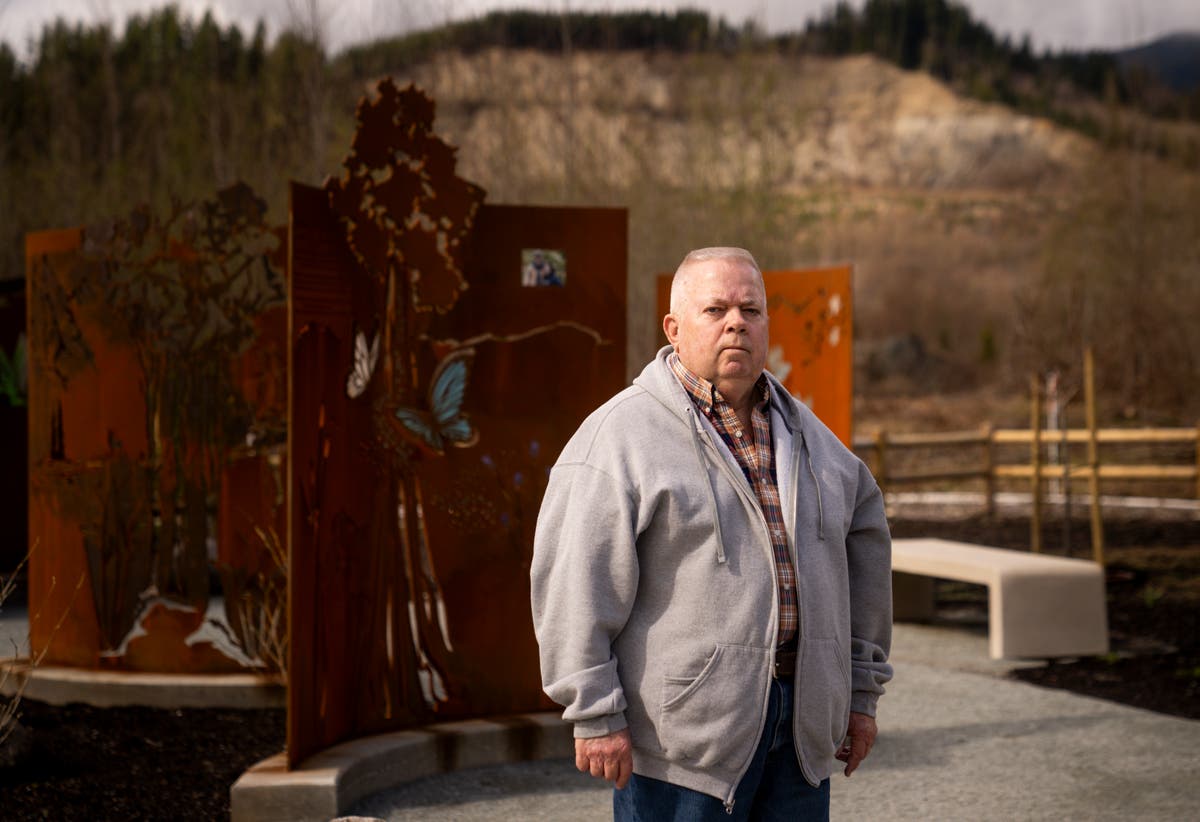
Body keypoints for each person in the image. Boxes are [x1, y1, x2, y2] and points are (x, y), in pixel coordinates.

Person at [530, 247, 893, 820]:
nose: (736, 323)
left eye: (751, 310)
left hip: (801, 737)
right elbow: (575, 581)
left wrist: (861, 692)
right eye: (716, 309)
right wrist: (595, 713)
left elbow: (866, 554)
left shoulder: (812, 438)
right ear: (673, 328)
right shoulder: (619, 437)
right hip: (684, 744)